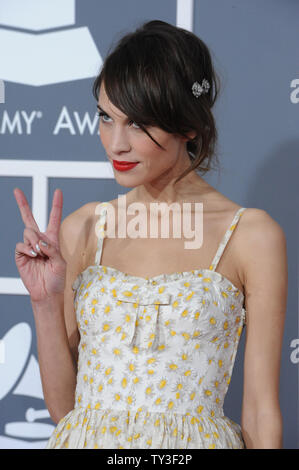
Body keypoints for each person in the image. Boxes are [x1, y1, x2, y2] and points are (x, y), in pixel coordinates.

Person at [14, 20, 287, 449]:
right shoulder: (85, 228)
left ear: (189, 126)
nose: (115, 144)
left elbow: (259, 410)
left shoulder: (250, 235)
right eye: (106, 117)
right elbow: (66, 411)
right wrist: (45, 303)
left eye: (138, 124)